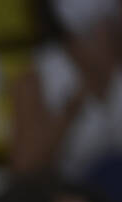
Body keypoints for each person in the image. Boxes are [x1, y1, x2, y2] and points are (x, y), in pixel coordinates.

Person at [11, 0, 122, 178]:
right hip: (67, 195)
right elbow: (24, 166)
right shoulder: (37, 78)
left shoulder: (116, 68)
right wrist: (69, 114)